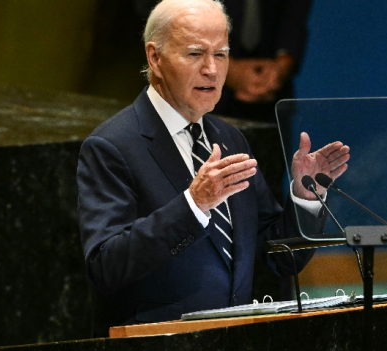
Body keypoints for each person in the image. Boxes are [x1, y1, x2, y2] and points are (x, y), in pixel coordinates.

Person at [77, 0, 349, 328]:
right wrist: (193, 205)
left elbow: (278, 257)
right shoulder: (112, 146)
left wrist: (306, 196)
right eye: (195, 54)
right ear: (155, 58)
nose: (212, 69)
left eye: (220, 54)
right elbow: (106, 267)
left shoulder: (231, 140)